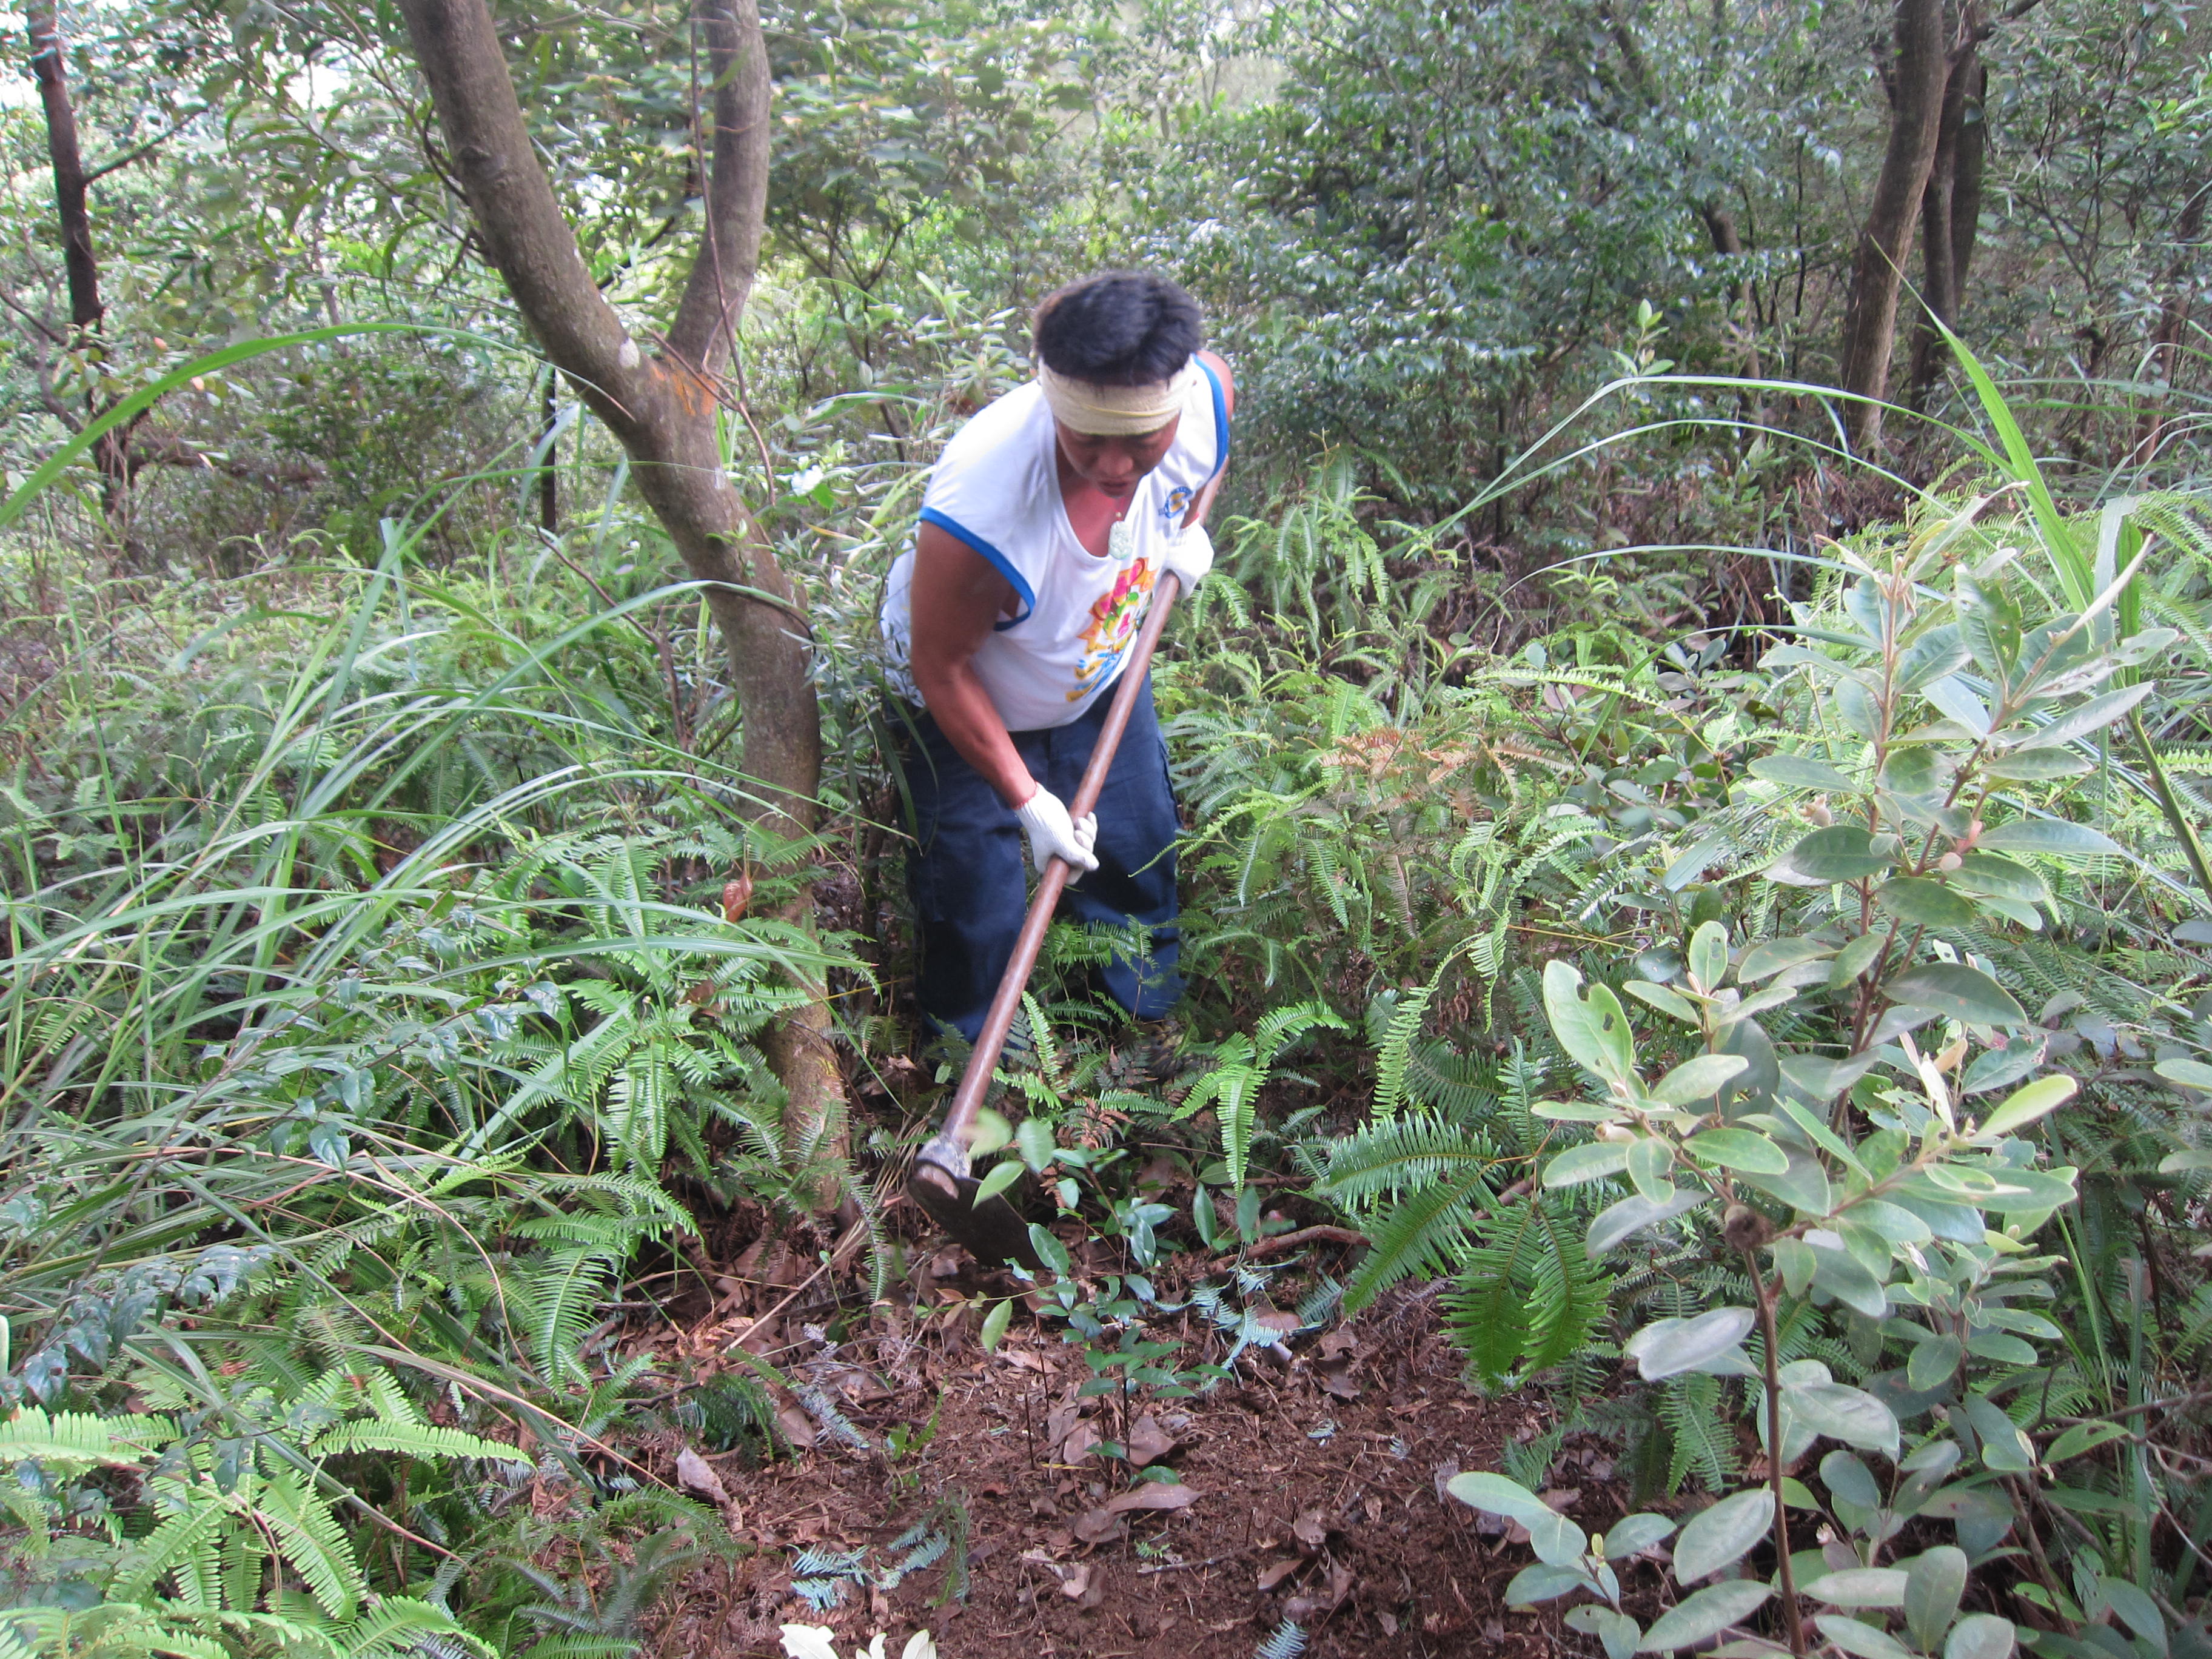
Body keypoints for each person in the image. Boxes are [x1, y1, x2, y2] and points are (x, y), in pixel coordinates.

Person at [880, 270, 1234, 1042]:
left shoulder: (1201, 400)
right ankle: (973, 1056)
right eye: (1088, 440)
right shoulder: (986, 507)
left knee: (1137, 844)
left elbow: (1218, 397)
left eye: (1140, 442)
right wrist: (1026, 797)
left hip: (1096, 665)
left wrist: (1190, 529)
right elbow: (941, 668)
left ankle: (1145, 1016)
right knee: (977, 896)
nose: (1114, 467)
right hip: (962, 696)